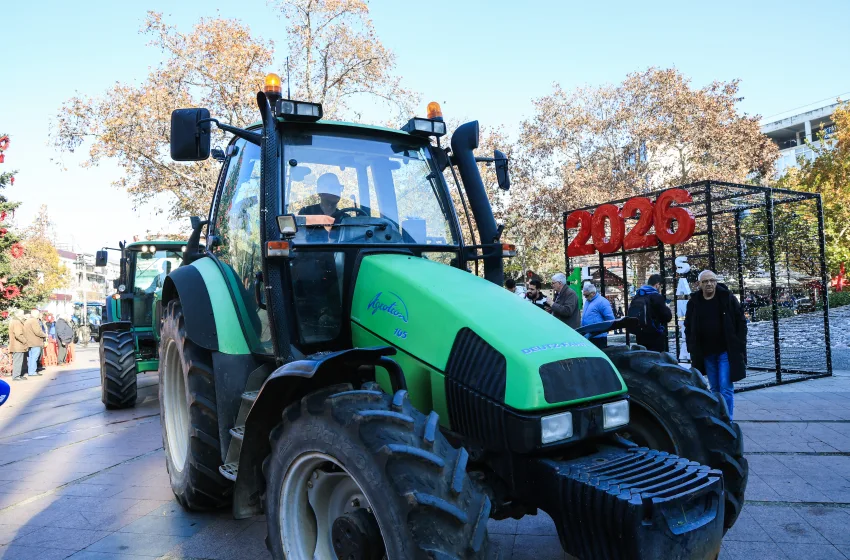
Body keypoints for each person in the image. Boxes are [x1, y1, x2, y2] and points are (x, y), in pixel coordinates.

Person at [685, 270, 747, 419]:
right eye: (705, 281)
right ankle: (718, 417)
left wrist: (738, 342)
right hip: (706, 352)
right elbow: (688, 326)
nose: (709, 284)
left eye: (712, 280)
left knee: (725, 387)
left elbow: (740, 321)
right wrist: (691, 346)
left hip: (726, 350)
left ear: (716, 282)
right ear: (699, 284)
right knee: (714, 388)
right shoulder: (694, 302)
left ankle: (727, 419)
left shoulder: (727, 298)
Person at [628, 273, 673, 352]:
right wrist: (667, 308)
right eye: (661, 286)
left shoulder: (638, 295)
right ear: (657, 285)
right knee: (657, 359)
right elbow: (667, 317)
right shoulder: (656, 297)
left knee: (644, 358)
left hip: (640, 334)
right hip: (655, 334)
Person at [580, 283, 615, 348]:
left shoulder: (602, 302)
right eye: (584, 295)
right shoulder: (588, 301)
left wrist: (601, 330)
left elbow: (610, 319)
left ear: (593, 293)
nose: (585, 297)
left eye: (586, 295)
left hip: (598, 337)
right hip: (589, 335)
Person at [24, 310, 47, 377]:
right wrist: (45, 335)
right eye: (38, 314)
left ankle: (30, 371)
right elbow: (37, 332)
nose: (39, 315)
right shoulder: (34, 321)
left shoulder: (27, 321)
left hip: (30, 342)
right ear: (35, 314)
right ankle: (32, 372)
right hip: (35, 342)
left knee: (31, 357)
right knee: (34, 358)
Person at [9, 310, 29, 381]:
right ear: (19, 315)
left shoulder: (16, 321)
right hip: (17, 345)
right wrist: (25, 341)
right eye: (23, 314)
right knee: (18, 361)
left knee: (19, 361)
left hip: (18, 345)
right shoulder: (17, 322)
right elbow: (18, 335)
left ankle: (18, 375)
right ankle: (16, 376)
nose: (24, 315)